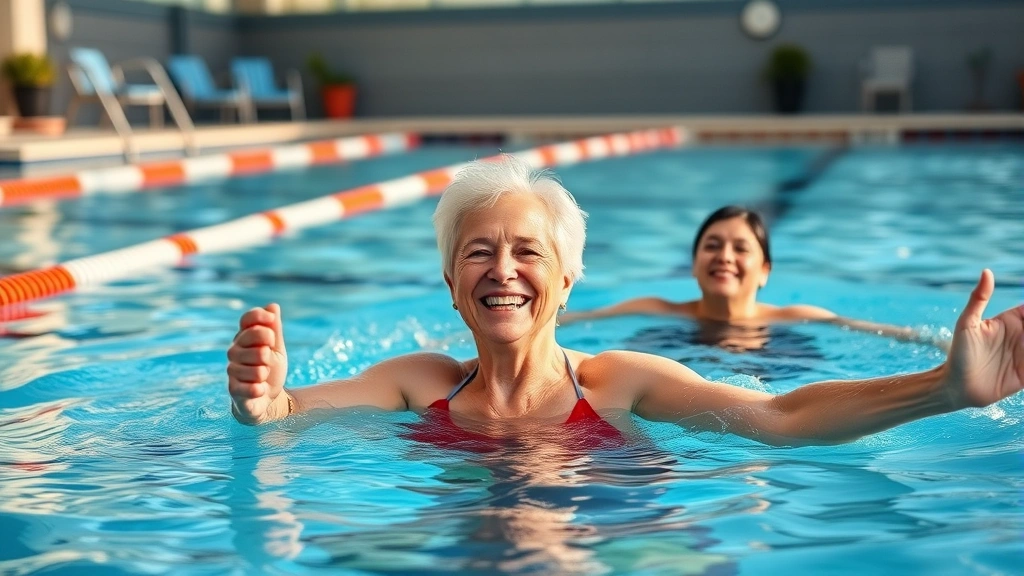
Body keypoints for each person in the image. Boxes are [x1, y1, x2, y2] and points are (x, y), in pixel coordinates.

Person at [227, 155, 1022, 447]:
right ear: (452, 286)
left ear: (566, 283)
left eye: (528, 251)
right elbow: (294, 408)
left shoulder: (618, 384)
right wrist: (265, 404)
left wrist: (943, 389)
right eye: (480, 252)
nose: (503, 269)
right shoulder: (420, 381)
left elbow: (782, 418)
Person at [561, 205, 950, 352]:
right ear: (694, 264)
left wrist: (941, 343)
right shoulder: (652, 310)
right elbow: (570, 321)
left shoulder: (796, 317)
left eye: (741, 248)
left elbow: (882, 332)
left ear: (765, 270)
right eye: (712, 246)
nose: (725, 257)